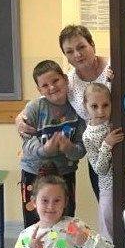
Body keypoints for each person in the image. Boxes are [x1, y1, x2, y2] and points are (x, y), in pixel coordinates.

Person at [16, 24, 112, 201]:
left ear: (92, 44)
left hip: (122, 143)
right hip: (96, 151)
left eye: (81, 47)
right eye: (69, 51)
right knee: (106, 203)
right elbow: (48, 99)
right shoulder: (70, 82)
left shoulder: (114, 67)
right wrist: (20, 118)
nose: (77, 54)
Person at [20, 60, 86, 227]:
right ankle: (35, 245)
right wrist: (44, 150)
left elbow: (82, 148)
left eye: (55, 80)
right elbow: (26, 143)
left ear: (65, 79)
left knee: (66, 219)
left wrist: (70, 148)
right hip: (33, 173)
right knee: (34, 221)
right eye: (44, 85)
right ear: (39, 90)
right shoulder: (34, 108)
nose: (51, 87)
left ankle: (65, 246)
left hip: (65, 172)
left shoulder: (78, 108)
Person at [82, 83, 124, 248]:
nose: (100, 111)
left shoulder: (116, 120)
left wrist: (110, 78)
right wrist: (107, 145)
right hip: (108, 188)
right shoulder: (88, 135)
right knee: (107, 232)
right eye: (94, 106)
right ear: (86, 106)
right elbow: (99, 168)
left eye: (105, 105)